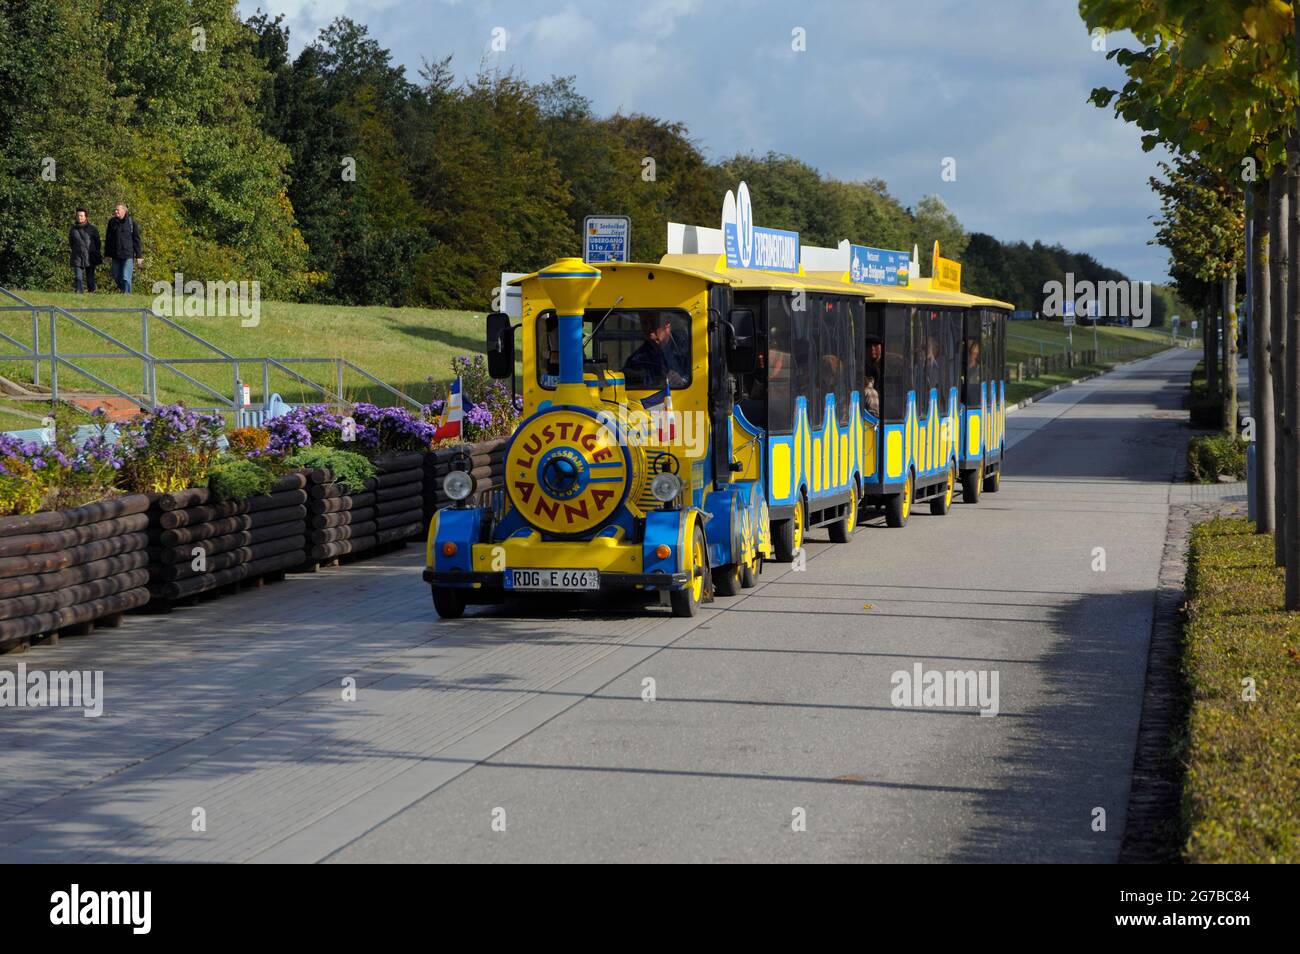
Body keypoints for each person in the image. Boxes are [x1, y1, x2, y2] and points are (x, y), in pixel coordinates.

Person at [623, 313, 688, 388]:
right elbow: (629, 384)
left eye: (653, 323)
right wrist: (657, 384)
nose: (648, 328)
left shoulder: (686, 344)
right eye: (644, 323)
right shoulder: (637, 359)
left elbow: (699, 371)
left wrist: (683, 380)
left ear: (667, 322)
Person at [104, 203, 142, 293]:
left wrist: (139, 256)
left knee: (126, 277)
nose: (115, 211)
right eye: (115, 210)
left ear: (124, 211)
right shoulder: (112, 222)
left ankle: (127, 296)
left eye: (118, 210)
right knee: (116, 276)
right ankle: (124, 291)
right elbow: (108, 239)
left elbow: (136, 240)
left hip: (127, 255)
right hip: (115, 255)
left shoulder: (131, 222)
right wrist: (107, 254)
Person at [68, 208, 101, 293]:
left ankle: (92, 292)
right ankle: (79, 292)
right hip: (77, 256)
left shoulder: (93, 229)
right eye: (78, 215)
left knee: (90, 278)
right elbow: (71, 242)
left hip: (90, 256)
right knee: (78, 277)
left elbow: (98, 243)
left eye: (81, 216)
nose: (79, 217)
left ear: (86, 217)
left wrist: (94, 252)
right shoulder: (72, 229)